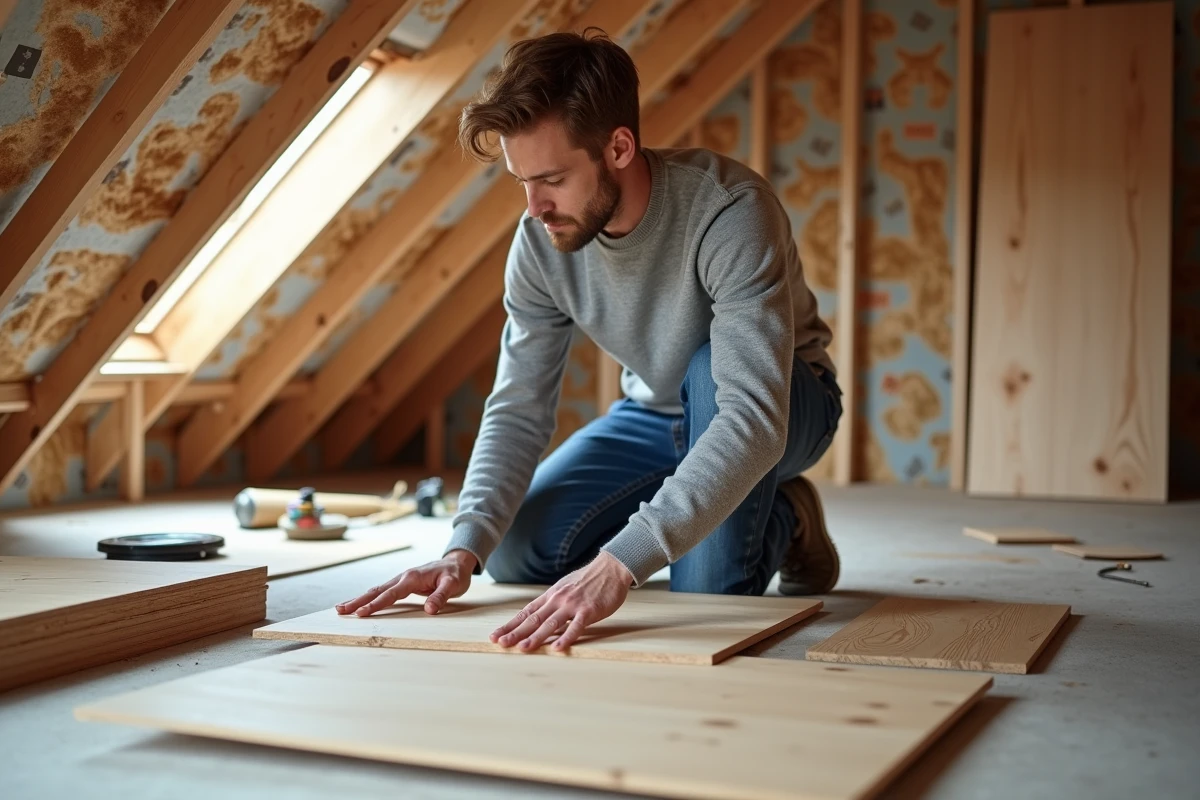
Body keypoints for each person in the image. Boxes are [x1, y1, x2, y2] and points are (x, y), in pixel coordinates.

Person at [336, 28, 843, 652]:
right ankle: (728, 504)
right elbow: (518, 403)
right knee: (516, 555)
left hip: (783, 405)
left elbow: (751, 417)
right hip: (654, 414)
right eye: (521, 181)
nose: (533, 208)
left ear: (619, 147)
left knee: (705, 588)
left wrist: (619, 563)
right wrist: (461, 548)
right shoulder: (539, 243)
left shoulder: (729, 211)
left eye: (551, 178)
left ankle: (789, 517)